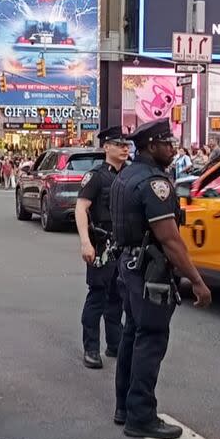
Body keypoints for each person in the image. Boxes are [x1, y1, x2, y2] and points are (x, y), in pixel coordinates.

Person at [110, 118, 212, 439]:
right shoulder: (156, 183)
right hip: (148, 270)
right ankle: (141, 416)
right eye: (167, 143)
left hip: (127, 266)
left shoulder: (125, 175)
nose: (173, 148)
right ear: (151, 146)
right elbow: (169, 240)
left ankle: (124, 407)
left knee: (132, 335)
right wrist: (196, 280)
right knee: (151, 339)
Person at [74, 127, 127, 369]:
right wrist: (85, 241)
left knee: (118, 296)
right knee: (97, 295)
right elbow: (81, 208)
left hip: (125, 245)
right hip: (102, 244)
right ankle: (91, 348)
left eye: (126, 144)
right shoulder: (96, 176)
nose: (124, 148)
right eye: (118, 144)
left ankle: (115, 344)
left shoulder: (130, 174)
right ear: (106, 147)